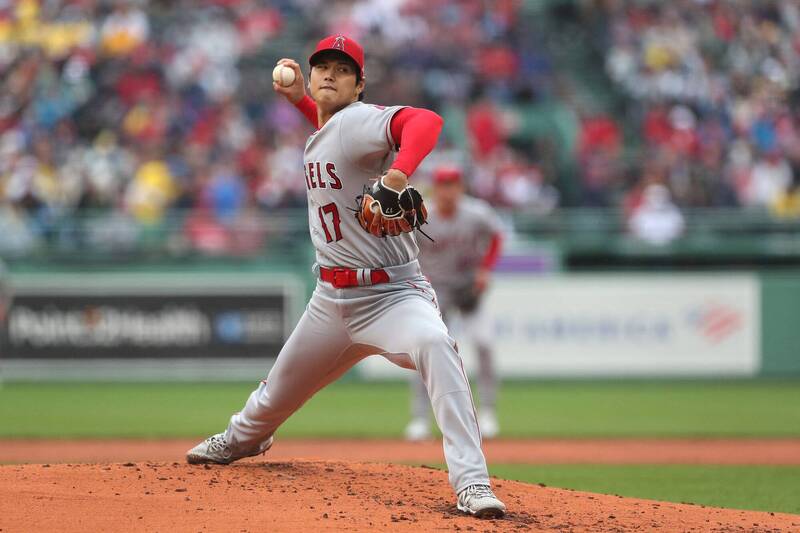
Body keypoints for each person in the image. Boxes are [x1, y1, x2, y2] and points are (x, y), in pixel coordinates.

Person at [185, 34, 506, 518]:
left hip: (393, 295)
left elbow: (426, 121)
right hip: (332, 301)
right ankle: (241, 439)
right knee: (271, 399)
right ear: (312, 79)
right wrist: (301, 103)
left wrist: (396, 176)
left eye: (342, 69)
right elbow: (334, 142)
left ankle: (473, 483)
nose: (330, 74)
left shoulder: (357, 119)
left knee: (437, 346)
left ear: (359, 85)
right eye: (322, 68)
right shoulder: (328, 130)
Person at [405, 166, 504, 441]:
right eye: (443, 185)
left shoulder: (477, 213)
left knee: (484, 344)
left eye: (453, 185)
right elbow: (406, 248)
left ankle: (487, 413)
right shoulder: (424, 216)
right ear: (435, 189)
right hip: (436, 288)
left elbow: (497, 237)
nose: (448, 191)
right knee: (425, 351)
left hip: (469, 287)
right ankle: (420, 418)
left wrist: (486, 269)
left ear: (460, 188)